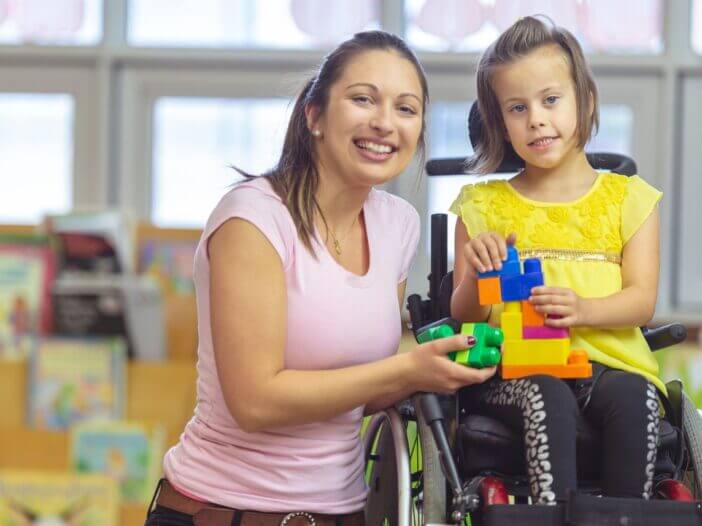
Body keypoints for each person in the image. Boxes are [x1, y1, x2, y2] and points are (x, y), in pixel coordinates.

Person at [145, 30, 496, 526]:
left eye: (406, 108)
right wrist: (406, 371)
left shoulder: (397, 224)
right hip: (224, 512)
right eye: (362, 99)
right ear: (314, 116)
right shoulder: (254, 218)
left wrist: (441, 368)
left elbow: (356, 390)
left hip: (342, 513)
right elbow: (255, 401)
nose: (384, 123)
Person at [450, 16, 663, 505]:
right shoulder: (481, 207)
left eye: (551, 100)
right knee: (545, 394)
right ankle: (552, 518)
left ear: (583, 100)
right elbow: (464, 317)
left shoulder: (629, 199)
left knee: (637, 397)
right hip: (514, 372)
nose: (537, 120)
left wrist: (584, 310)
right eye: (517, 108)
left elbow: (641, 301)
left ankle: (624, 519)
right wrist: (482, 276)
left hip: (606, 368)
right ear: (499, 122)